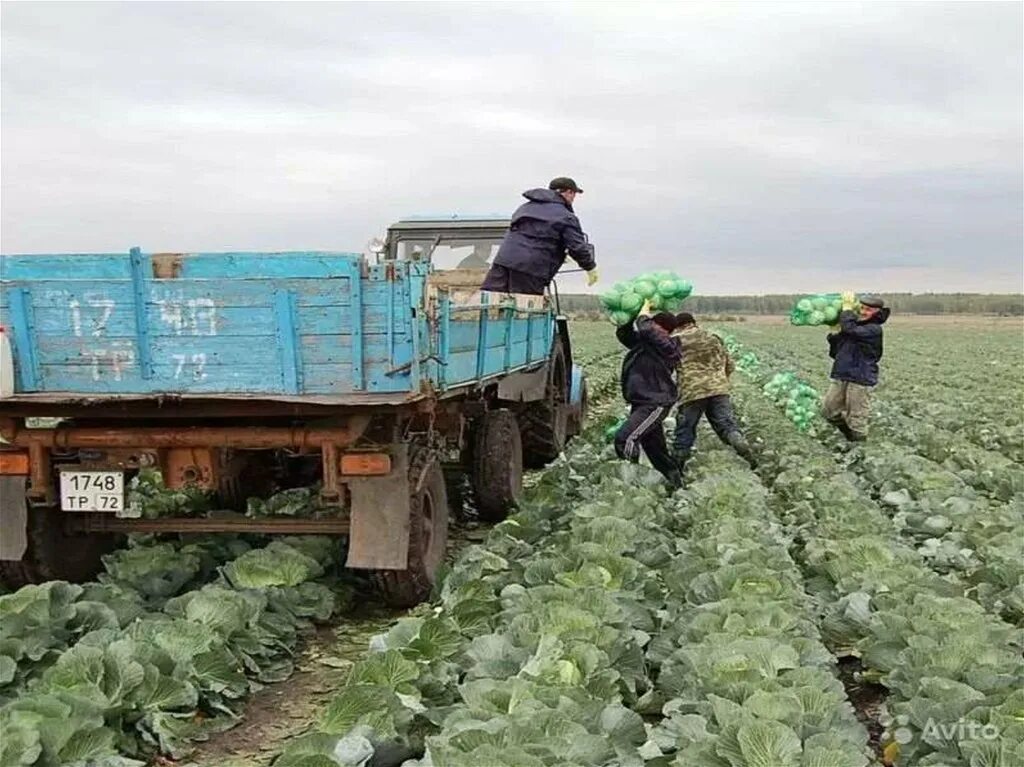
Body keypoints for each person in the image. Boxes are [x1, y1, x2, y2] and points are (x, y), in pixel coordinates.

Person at [480, 177, 598, 295]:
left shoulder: (525, 208)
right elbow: (577, 247)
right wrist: (590, 267)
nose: (573, 199)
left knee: (491, 302)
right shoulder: (566, 217)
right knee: (526, 307)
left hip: (503, 262)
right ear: (569, 192)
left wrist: (558, 252)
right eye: (574, 195)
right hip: (531, 269)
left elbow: (531, 234)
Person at [671, 312, 757, 472]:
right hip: (718, 389)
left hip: (692, 391)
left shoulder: (675, 340)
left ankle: (676, 471)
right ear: (693, 322)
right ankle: (740, 444)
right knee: (726, 424)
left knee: (686, 429)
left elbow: (669, 367)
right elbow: (730, 364)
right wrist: (720, 380)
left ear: (678, 325)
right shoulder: (713, 337)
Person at [613, 306, 683, 489]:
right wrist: (629, 317)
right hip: (642, 401)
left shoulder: (669, 346)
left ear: (664, 329)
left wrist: (644, 316)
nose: (651, 326)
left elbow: (646, 329)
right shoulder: (644, 343)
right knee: (656, 450)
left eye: (655, 324)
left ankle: (632, 482)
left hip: (655, 403)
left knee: (625, 439)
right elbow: (624, 335)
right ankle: (676, 483)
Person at [822, 293, 890, 441]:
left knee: (857, 418)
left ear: (878, 312)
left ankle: (859, 447)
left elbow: (850, 330)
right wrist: (834, 335)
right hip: (842, 374)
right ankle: (847, 436)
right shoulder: (854, 326)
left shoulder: (874, 329)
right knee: (829, 410)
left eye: (869, 310)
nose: (864, 312)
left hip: (860, 377)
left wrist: (846, 310)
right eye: (862, 308)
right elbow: (836, 353)